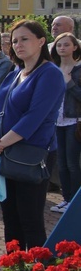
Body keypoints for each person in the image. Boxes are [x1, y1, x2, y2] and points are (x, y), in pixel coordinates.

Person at [0, 20, 64, 249]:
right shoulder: (15, 73)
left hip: (31, 154)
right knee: (10, 219)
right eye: (15, 40)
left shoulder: (50, 74)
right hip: (5, 152)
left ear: (41, 41)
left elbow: (34, 117)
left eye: (25, 39)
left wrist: (1, 143)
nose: (18, 44)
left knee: (30, 220)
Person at [49, 32, 81, 213]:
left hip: (74, 121)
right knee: (60, 163)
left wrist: (69, 83)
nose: (62, 48)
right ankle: (66, 198)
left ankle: (75, 201)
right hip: (56, 121)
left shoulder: (78, 69)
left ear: (74, 47)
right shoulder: (53, 69)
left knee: (72, 163)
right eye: (59, 45)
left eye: (66, 45)